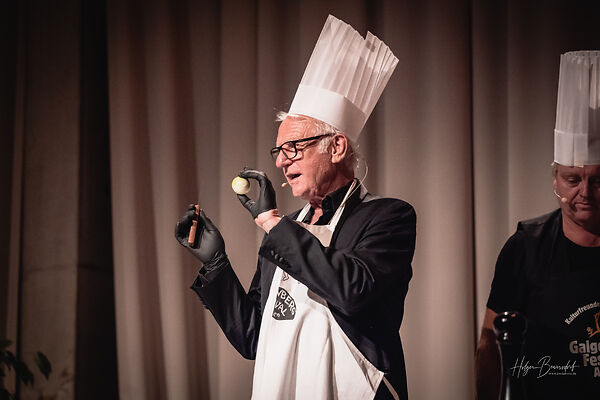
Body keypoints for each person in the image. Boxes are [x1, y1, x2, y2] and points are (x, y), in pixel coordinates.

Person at [175, 15, 416, 400]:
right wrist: (217, 264)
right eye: (278, 151)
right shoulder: (283, 232)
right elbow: (255, 336)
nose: (281, 162)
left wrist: (273, 224)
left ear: (336, 147)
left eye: (293, 149)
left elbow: (352, 290)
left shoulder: (388, 217)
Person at [476, 51, 600, 399]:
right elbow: (491, 343)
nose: (585, 193)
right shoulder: (526, 247)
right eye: (573, 179)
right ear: (555, 179)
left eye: (598, 181)